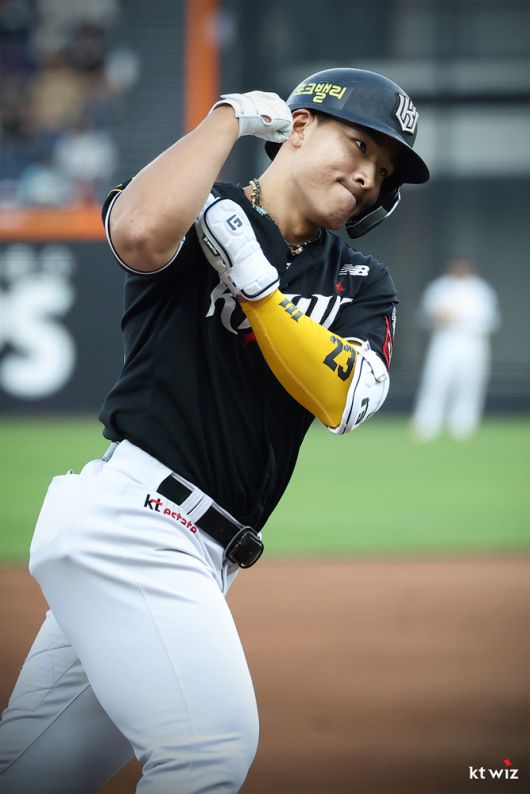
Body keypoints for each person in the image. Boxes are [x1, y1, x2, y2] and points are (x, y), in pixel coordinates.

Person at [0, 67, 429, 794]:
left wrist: (258, 289)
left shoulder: (361, 279)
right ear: (299, 127)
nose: (368, 178)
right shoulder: (204, 208)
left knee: (35, 772)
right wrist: (229, 116)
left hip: (197, 549)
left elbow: (345, 400)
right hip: (140, 522)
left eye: (384, 172)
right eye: (360, 146)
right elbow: (138, 233)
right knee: (210, 751)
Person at [412, 256, 500, 440]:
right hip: (445, 340)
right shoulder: (439, 287)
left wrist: (459, 318)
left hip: (472, 341)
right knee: (436, 381)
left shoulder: (480, 289)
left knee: (470, 384)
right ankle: (426, 424)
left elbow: (490, 320)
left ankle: (463, 426)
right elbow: (424, 316)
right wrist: (439, 317)